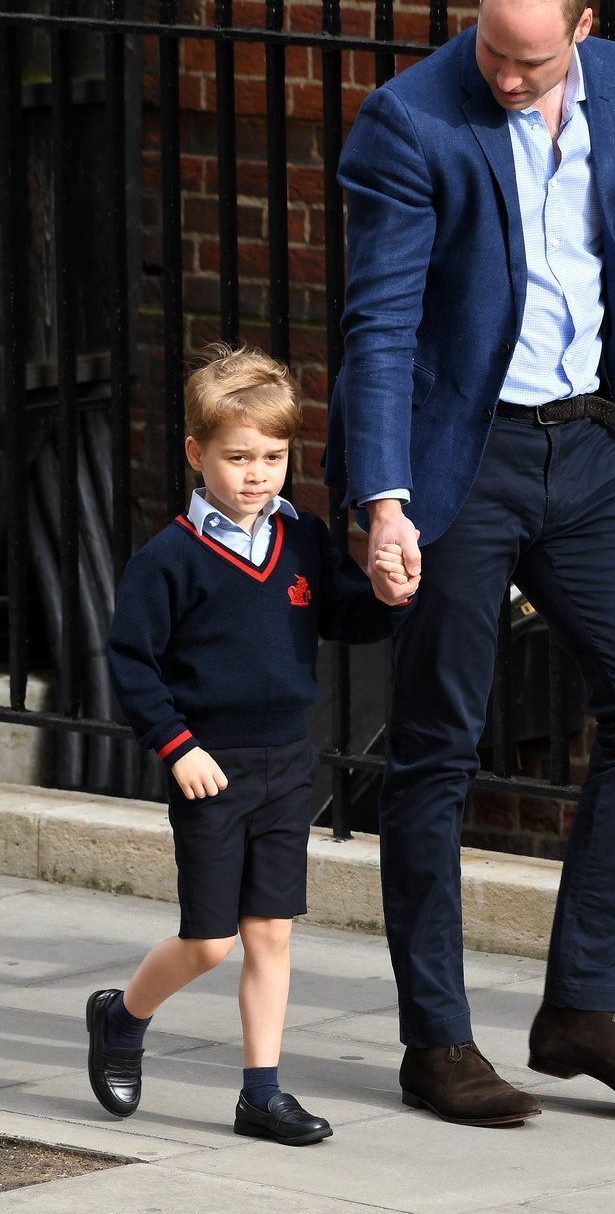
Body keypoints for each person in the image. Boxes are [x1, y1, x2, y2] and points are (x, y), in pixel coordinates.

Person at [325, 0, 615, 1126]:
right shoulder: (410, 124)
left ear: (583, 28)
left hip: (590, 447)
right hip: (465, 459)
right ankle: (436, 1043)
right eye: (491, 52)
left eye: (529, 61)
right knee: (437, 751)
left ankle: (577, 1013)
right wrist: (384, 500)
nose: (503, 78)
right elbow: (380, 328)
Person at [90, 344, 416, 1144]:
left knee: (272, 931)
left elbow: (345, 616)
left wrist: (386, 594)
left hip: (287, 764)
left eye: (273, 456)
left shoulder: (301, 537)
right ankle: (122, 1016)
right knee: (209, 939)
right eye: (238, 457)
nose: (257, 472)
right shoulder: (167, 559)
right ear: (198, 454)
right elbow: (132, 662)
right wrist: (177, 745)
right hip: (208, 767)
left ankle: (260, 1092)